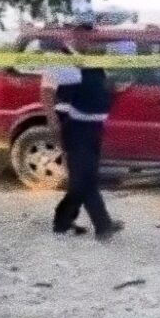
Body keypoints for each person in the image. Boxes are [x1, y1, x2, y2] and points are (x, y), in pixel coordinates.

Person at [41, 25, 123, 242]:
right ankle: (103, 225)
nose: (89, 39)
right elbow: (47, 93)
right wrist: (52, 122)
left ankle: (63, 221)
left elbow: (102, 88)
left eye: (91, 35)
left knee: (85, 178)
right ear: (73, 35)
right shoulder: (58, 59)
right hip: (73, 125)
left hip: (94, 126)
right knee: (83, 179)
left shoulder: (92, 59)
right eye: (84, 34)